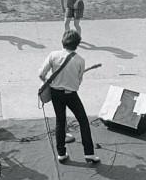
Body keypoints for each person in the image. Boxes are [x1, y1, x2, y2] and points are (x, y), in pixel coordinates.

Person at [38, 30, 100, 164]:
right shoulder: (80, 60)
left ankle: (61, 153)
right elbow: (78, 82)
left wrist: (49, 84)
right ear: (77, 44)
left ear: (63, 41)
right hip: (71, 95)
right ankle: (89, 153)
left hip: (55, 93)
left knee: (60, 122)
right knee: (83, 121)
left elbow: (41, 74)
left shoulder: (53, 55)